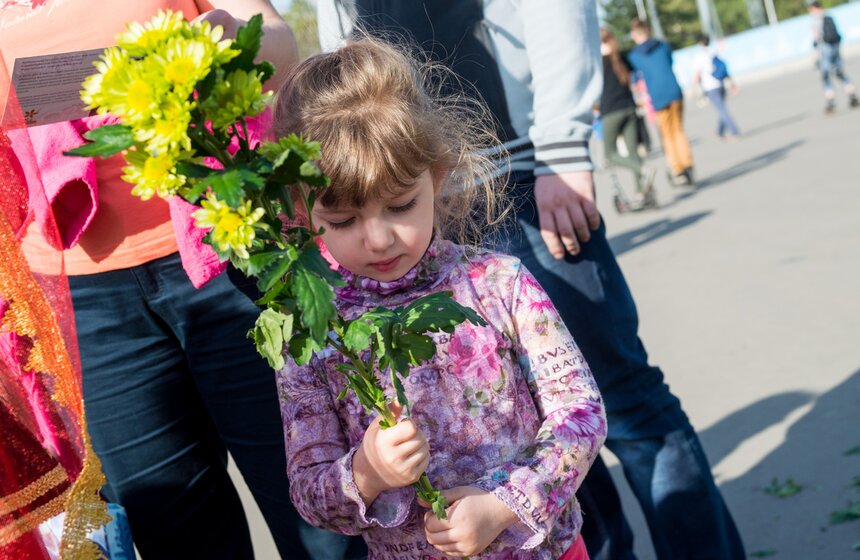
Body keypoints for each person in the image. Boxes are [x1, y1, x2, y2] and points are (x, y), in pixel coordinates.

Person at [316, 2, 746, 559]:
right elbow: (343, 40)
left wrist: (563, 152)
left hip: (524, 173)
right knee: (521, 428)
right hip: (411, 197)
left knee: (627, 404)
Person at [0, 2, 356, 558]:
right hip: (81, 301)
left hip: (233, 250)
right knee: (181, 539)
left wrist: (229, 44)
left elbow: (281, 46)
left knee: (325, 517)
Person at [273, 38, 606, 559]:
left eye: (401, 205)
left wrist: (506, 505)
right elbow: (310, 494)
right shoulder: (311, 331)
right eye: (343, 220)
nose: (378, 238)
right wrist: (366, 472)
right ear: (300, 209)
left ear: (438, 175)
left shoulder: (498, 282)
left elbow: (580, 415)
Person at [628, 18, 696, 186]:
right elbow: (670, 62)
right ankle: (687, 163)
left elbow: (636, 77)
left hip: (657, 95)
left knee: (667, 134)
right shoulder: (663, 45)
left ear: (634, 34)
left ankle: (677, 168)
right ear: (648, 30)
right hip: (674, 90)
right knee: (678, 129)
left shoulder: (634, 56)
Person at [598, 27, 656, 207]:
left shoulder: (597, 62)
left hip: (611, 112)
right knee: (632, 151)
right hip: (629, 108)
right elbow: (631, 78)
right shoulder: (620, 56)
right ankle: (642, 192)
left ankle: (643, 170)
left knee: (609, 154)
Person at [807, 0, 859, 113]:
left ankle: (830, 101)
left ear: (813, 8)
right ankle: (852, 95)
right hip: (835, 48)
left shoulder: (816, 20)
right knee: (839, 72)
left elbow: (816, 37)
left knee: (825, 76)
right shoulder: (828, 16)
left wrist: (815, 54)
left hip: (825, 49)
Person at [693, 34, 741, 141]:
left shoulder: (699, 56)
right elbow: (725, 68)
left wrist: (694, 88)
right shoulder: (714, 52)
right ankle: (720, 132)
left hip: (710, 86)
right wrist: (732, 84)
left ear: (699, 43)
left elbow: (697, 74)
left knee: (722, 110)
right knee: (721, 109)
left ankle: (734, 131)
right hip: (720, 83)